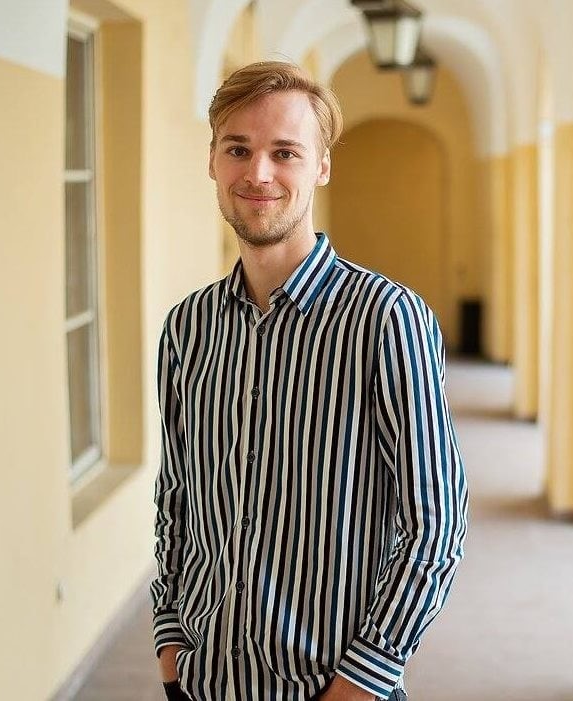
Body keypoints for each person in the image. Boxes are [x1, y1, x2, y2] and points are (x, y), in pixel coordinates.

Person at [151, 61, 468, 701]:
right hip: (205, 685)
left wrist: (361, 680)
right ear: (211, 161)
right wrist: (170, 645)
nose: (258, 173)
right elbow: (176, 497)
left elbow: (435, 525)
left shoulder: (386, 319)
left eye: (284, 152)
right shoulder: (187, 328)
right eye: (237, 149)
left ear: (321, 166)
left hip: (331, 689)